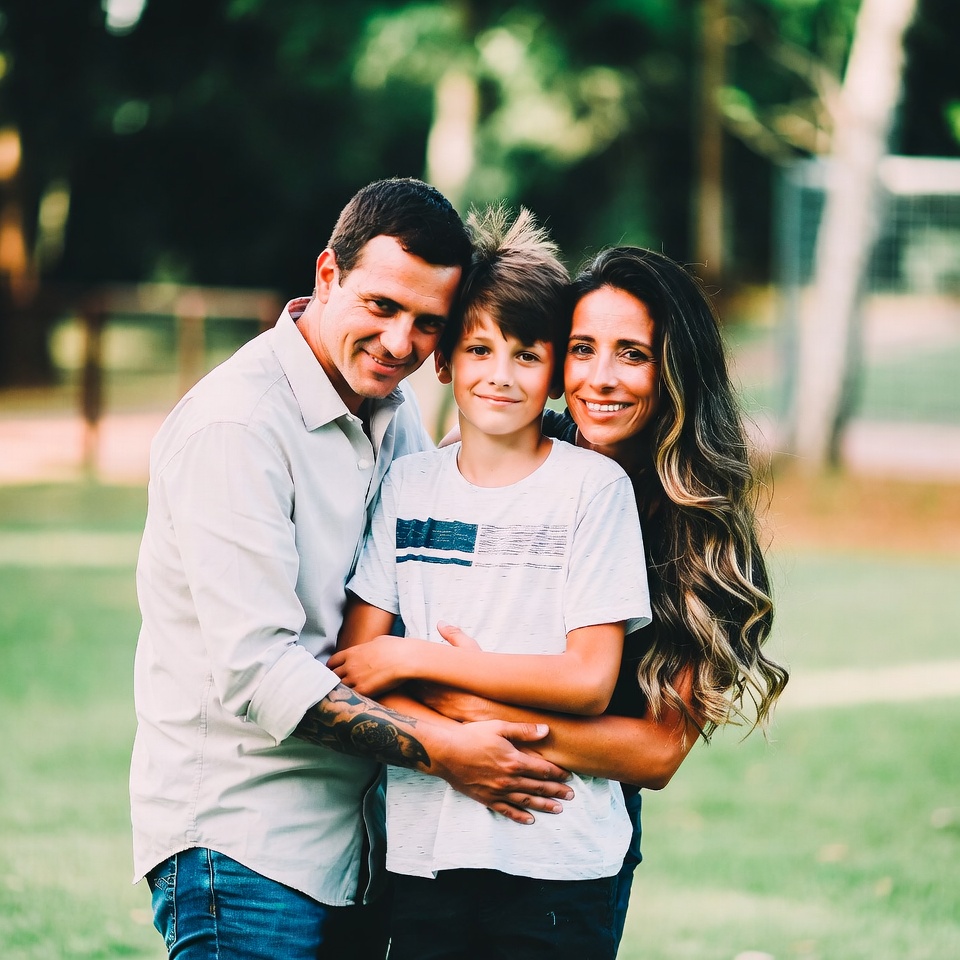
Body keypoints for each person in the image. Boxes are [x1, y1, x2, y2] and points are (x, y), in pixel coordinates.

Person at [129, 178, 575, 960]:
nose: (402, 343)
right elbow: (260, 671)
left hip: (362, 852)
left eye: (428, 323)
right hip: (243, 848)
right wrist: (445, 747)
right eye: (382, 306)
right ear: (327, 276)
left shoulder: (390, 415)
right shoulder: (238, 426)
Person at [410, 245, 790, 951]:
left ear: (675, 369)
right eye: (583, 349)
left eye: (633, 355)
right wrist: (454, 741)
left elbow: (655, 754)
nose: (601, 379)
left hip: (570, 836)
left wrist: (478, 719)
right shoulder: (510, 452)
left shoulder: (697, 531)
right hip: (439, 824)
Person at [329, 205, 652, 960]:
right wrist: (442, 720)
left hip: (559, 853)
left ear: (555, 373)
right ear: (442, 361)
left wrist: (421, 658)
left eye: (527, 354)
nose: (500, 374)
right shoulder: (408, 486)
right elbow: (357, 665)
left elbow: (590, 680)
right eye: (478, 349)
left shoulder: (594, 490)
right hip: (423, 850)